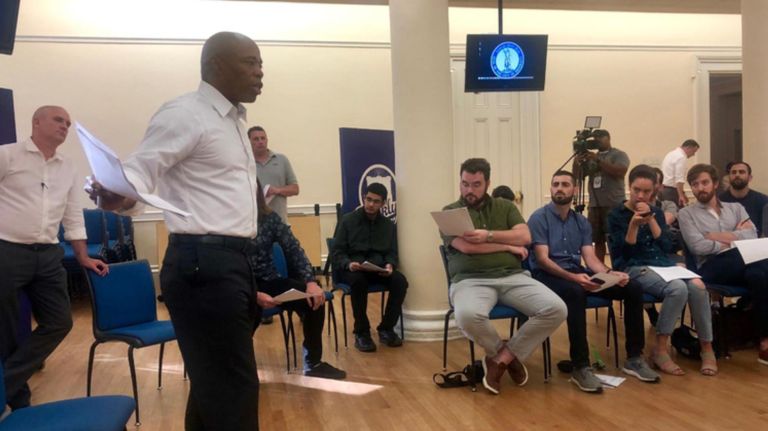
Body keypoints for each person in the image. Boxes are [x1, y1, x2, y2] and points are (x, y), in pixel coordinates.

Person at [89, 32, 265, 430]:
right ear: (216, 66)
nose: (259, 73)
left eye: (260, 65)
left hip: (230, 261)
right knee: (233, 389)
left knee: (213, 387)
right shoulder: (186, 113)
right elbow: (136, 175)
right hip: (202, 264)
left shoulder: (235, 121)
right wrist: (113, 194)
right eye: (250, 63)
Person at [0, 106, 108, 411]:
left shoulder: (68, 167)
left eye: (68, 123)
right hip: (7, 250)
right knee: (5, 330)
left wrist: (83, 256)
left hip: (48, 253)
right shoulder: (7, 155)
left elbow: (73, 214)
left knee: (60, 322)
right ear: (37, 122)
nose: (65, 125)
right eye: (58, 120)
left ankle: (3, 386)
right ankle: (16, 400)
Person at [441, 158, 567, 395]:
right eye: (465, 184)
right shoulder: (450, 213)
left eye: (476, 184)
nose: (469, 190)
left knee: (557, 308)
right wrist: (507, 247)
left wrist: (489, 235)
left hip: (513, 276)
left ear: (487, 183)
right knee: (467, 316)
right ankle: (506, 356)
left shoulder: (505, 207)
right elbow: (467, 248)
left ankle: (501, 359)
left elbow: (525, 236)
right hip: (470, 280)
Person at [529, 170, 655, 392]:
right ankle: (581, 366)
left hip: (578, 273)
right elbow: (542, 259)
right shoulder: (539, 217)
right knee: (576, 292)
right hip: (547, 277)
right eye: (555, 184)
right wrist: (574, 277)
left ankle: (634, 358)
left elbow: (590, 259)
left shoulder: (581, 222)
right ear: (550, 189)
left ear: (574, 190)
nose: (559, 188)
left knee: (633, 287)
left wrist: (610, 273)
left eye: (565, 184)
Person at [608, 164, 716, 376]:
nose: (641, 196)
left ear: (654, 191)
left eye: (647, 192)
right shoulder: (617, 214)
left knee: (697, 286)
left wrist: (651, 220)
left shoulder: (656, 211)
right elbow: (624, 254)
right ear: (629, 187)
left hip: (661, 265)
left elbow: (667, 245)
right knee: (677, 288)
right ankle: (660, 348)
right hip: (633, 267)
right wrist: (634, 225)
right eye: (637, 190)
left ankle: (707, 348)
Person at [251, 181, 345, 379]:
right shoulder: (227, 224)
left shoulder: (269, 218)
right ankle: (239, 368)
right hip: (241, 284)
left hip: (269, 281)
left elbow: (293, 248)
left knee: (314, 300)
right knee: (240, 311)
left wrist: (310, 282)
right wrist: (254, 294)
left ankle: (313, 362)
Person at [678, 163, 768, 366]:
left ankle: (764, 342)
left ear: (715, 184)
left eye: (704, 182)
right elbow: (698, 245)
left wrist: (716, 236)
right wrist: (737, 237)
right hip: (711, 268)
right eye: (695, 184)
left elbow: (752, 234)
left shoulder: (735, 208)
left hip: (743, 264)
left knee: (759, 274)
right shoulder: (686, 214)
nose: (700, 188)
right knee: (759, 259)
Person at [332, 182, 408, 352]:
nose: (371, 204)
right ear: (364, 198)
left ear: (383, 204)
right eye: (368, 199)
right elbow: (336, 252)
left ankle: (386, 328)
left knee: (400, 281)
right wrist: (348, 264)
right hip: (353, 268)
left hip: (377, 268)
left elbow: (391, 251)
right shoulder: (347, 221)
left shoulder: (388, 225)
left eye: (376, 201)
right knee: (358, 282)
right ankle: (362, 332)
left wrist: (390, 264)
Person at [574, 129, 629, 263]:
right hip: (595, 205)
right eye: (594, 138)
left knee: (615, 239)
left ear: (608, 138)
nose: (597, 140)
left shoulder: (618, 154)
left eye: (600, 137)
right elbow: (577, 176)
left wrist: (598, 160)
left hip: (613, 204)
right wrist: (577, 162)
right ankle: (600, 269)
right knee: (597, 241)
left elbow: (620, 171)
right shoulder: (591, 156)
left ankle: (619, 266)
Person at [249, 126, 299, 222]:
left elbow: (295, 189)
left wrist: (277, 190)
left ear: (267, 140)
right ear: (248, 142)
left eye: (263, 138)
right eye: (256, 139)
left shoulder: (281, 160)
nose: (260, 142)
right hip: (254, 223)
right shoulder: (245, 163)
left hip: (279, 222)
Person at [719, 161, 768, 236]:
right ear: (729, 177)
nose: (737, 175)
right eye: (734, 172)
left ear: (750, 178)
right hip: (725, 245)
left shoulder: (763, 201)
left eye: (741, 172)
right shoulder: (718, 201)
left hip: (753, 245)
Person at [661, 139, 700, 207]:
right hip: (672, 192)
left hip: (663, 190)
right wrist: (681, 195)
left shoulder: (671, 154)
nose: (693, 155)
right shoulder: (681, 157)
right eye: (694, 151)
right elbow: (679, 179)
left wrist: (683, 193)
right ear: (688, 148)